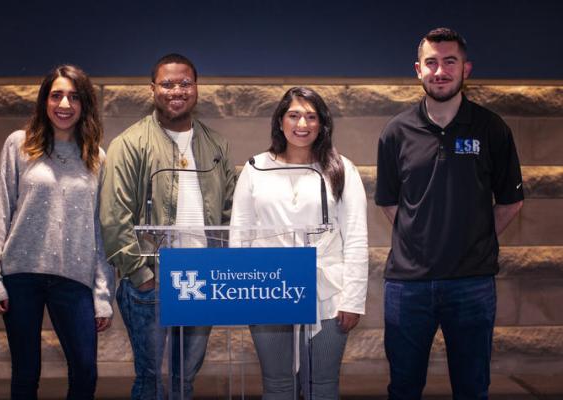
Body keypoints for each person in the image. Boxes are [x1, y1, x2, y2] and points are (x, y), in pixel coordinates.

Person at [375, 27, 525, 400]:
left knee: (472, 388)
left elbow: (510, 202)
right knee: (404, 388)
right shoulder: (396, 132)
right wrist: (420, 236)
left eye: (449, 62)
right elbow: (390, 203)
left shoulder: (492, 129)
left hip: (471, 283)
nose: (439, 71)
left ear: (466, 69)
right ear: (417, 70)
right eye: (431, 63)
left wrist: (472, 238)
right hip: (408, 285)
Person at [99, 53, 236, 400]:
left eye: (185, 83)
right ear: (153, 89)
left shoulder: (216, 145)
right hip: (153, 281)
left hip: (201, 278)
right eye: (167, 83)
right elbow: (114, 216)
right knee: (152, 382)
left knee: (183, 382)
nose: (177, 90)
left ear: (196, 88)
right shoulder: (129, 144)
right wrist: (142, 274)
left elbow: (229, 212)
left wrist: (220, 265)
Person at [0, 64, 115, 400]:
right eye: (56, 95)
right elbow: (0, 211)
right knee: (26, 373)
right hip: (21, 275)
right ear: (45, 101)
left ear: (85, 104)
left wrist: (102, 295)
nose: (64, 105)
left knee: (85, 370)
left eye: (73, 97)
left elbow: (101, 228)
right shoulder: (19, 145)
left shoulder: (96, 157)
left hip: (74, 278)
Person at [231, 87, 368, 399]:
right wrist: (241, 292)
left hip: (328, 292)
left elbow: (357, 237)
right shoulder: (255, 168)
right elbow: (240, 234)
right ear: (280, 122)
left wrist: (353, 299)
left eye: (311, 116)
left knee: (321, 386)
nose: (302, 124)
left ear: (322, 124)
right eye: (294, 115)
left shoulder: (342, 169)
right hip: (267, 288)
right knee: (277, 386)